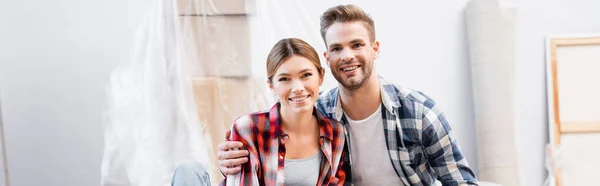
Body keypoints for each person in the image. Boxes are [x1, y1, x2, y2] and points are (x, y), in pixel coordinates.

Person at [174, 4, 478, 186]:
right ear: (327, 59)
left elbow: (461, 182)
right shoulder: (320, 113)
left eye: (357, 45)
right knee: (189, 171)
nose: (347, 55)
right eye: (336, 49)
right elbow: (272, 128)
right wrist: (229, 155)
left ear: (375, 49)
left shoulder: (418, 112)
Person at [175, 38, 348, 186]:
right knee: (188, 170)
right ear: (271, 85)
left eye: (306, 75)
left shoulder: (335, 132)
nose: (297, 88)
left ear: (321, 76)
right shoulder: (248, 128)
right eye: (284, 79)